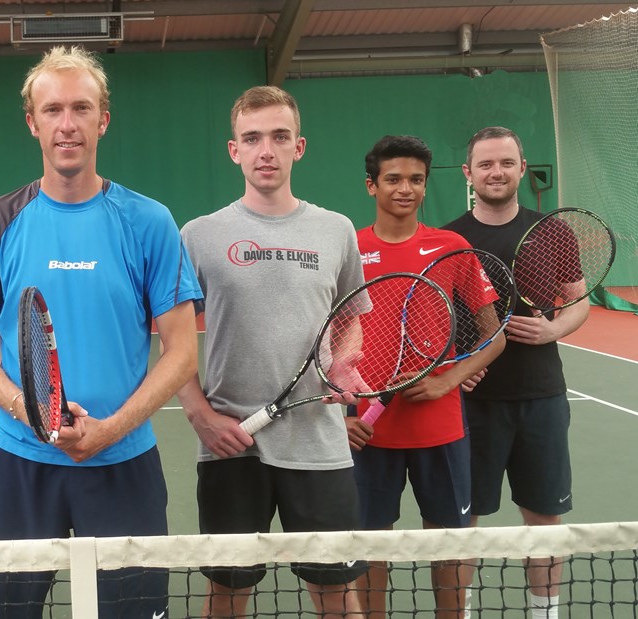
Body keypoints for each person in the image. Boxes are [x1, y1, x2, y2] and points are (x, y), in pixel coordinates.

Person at [0, 45, 201, 618]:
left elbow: (182, 353)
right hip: (19, 464)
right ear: (32, 122)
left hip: (123, 463)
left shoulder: (150, 221)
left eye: (81, 109)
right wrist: (29, 411)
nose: (68, 124)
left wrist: (110, 430)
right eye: (54, 110)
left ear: (103, 119)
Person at [177, 85, 366, 618]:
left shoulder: (336, 230)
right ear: (233, 150)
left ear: (298, 147)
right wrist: (200, 415)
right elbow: (170, 336)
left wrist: (345, 362)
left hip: (319, 445)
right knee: (228, 590)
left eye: (279, 137)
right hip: (230, 446)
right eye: (252, 138)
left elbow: (351, 318)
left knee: (335, 591)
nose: (267, 150)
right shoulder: (199, 235)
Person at [346, 135, 505, 619]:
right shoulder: (348, 247)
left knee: (448, 545)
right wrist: (340, 412)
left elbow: (493, 335)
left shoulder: (451, 247)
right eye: (393, 179)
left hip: (441, 431)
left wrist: (447, 380)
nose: (405, 188)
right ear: (371, 185)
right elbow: (326, 339)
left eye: (416, 179)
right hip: (368, 432)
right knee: (371, 547)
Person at [442, 126, 589, 619]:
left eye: (506, 163)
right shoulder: (449, 238)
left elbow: (579, 300)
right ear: (468, 173)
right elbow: (433, 318)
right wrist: (455, 367)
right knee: (465, 522)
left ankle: (543, 614)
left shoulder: (552, 231)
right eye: (485, 164)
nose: (496, 172)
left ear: (522, 169)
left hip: (541, 398)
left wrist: (554, 330)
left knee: (544, 519)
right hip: (471, 405)